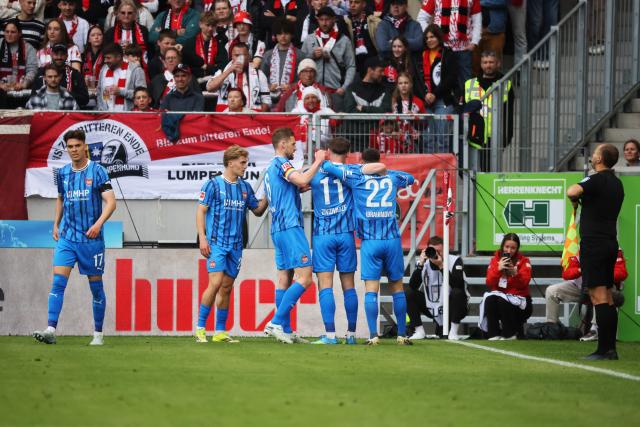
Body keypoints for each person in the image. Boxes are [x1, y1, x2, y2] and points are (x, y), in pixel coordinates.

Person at [32, 129, 116, 346]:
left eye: (77, 146)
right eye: (70, 147)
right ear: (66, 148)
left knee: (96, 288)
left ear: (84, 146)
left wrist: (98, 224)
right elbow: (61, 199)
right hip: (68, 238)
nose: (74, 150)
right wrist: (56, 224)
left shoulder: (97, 171)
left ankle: (98, 334)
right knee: (58, 283)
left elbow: (111, 202)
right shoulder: (63, 173)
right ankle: (50, 329)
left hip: (91, 240)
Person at [323, 148, 415, 345]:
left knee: (371, 289)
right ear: (379, 160)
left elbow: (329, 166)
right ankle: (402, 335)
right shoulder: (392, 178)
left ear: (363, 161)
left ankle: (373, 335)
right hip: (391, 240)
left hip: (370, 242)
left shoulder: (357, 177)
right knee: (397, 287)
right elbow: (411, 179)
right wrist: (385, 171)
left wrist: (359, 168)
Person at [309, 137, 385, 344]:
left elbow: (299, 183)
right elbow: (379, 168)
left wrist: (317, 163)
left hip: (323, 235)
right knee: (348, 285)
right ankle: (351, 335)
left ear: (327, 150)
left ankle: (331, 336)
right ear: (349, 154)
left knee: (325, 285)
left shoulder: (316, 171)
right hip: (345, 234)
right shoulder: (352, 171)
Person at [194, 145, 268, 343]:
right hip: (216, 243)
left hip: (236, 246)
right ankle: (200, 328)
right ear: (231, 163)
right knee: (215, 283)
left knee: (226, 287)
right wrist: (202, 237)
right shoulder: (213, 185)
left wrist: (270, 193)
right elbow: (201, 211)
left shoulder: (244, 187)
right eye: (243, 163)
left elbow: (258, 210)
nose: (245, 166)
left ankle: (219, 332)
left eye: (246, 162)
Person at [262, 128, 326, 344]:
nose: (295, 148)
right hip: (290, 226)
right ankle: (276, 322)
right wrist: (318, 161)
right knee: (306, 277)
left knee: (284, 279)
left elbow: (291, 187)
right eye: (292, 144)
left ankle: (286, 330)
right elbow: (300, 178)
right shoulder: (281, 163)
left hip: (278, 229)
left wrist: (298, 189)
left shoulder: (270, 168)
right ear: (282, 145)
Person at [567, 143, 625, 360]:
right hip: (609, 242)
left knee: (598, 296)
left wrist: (576, 195)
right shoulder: (617, 183)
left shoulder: (596, 179)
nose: (592, 156)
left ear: (600, 159)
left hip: (595, 244)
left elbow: (572, 191)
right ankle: (610, 348)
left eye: (595, 153)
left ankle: (605, 350)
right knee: (607, 296)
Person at [545, 251, 627, 341]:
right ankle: (552, 327)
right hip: (580, 288)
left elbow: (622, 273)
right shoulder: (580, 249)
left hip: (603, 286)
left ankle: (595, 330)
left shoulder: (613, 248)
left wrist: (600, 273)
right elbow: (566, 273)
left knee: (599, 290)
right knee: (551, 291)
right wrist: (581, 270)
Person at [405, 236, 468, 340]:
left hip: (453, 306)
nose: (436, 254)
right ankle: (419, 331)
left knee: (457, 292)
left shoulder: (454, 260)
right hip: (432, 305)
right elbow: (413, 286)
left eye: (439, 251)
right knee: (409, 293)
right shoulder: (424, 263)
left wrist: (441, 267)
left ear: (445, 250)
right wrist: (420, 265)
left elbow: (458, 285)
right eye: (433, 251)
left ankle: (453, 331)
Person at [417, 0, 482, 92]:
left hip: (464, 48)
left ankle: (468, 106)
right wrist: (432, 36)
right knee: (442, 82)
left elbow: (477, 19)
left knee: (467, 84)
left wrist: (475, 41)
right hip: (442, 49)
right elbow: (421, 18)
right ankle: (446, 106)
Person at [464, 50, 513, 170]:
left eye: (491, 62)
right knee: (472, 173)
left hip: (495, 137)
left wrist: (506, 138)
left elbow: (509, 114)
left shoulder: (506, 84)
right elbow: (463, 111)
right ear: (481, 65)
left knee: (491, 173)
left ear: (498, 64)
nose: (488, 65)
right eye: (485, 62)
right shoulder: (469, 84)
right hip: (473, 136)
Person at [301, 6, 355, 112]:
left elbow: (351, 66)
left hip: (335, 91)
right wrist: (312, 56)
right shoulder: (309, 39)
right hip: (313, 92)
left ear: (334, 19)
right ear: (317, 20)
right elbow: (302, 64)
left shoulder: (344, 40)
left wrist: (344, 87)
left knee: (336, 124)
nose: (324, 23)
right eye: (321, 20)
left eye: (327, 19)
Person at [482, 233, 532, 340]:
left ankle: (510, 334)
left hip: (519, 299)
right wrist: (498, 269)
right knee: (490, 300)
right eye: (507, 247)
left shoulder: (524, 261)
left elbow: (524, 283)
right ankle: (493, 334)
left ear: (517, 248)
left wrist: (515, 273)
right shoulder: (495, 260)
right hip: (499, 296)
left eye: (513, 248)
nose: (509, 251)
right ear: (502, 246)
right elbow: (489, 283)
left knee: (503, 301)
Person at [207, 41, 271, 111]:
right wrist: (229, 70)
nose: (240, 58)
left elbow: (266, 101)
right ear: (232, 56)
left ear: (249, 57)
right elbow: (209, 88)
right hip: (226, 117)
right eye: (237, 55)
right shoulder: (222, 72)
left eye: (243, 55)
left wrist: (257, 119)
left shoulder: (259, 74)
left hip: (250, 116)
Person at [261, 17, 304, 105]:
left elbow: (305, 79)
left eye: (286, 33)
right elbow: (261, 78)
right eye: (280, 34)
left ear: (292, 35)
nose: (283, 36)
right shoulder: (268, 55)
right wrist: (268, 86)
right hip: (270, 100)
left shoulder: (300, 55)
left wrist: (292, 86)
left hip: (293, 99)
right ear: (275, 36)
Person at [32, 42, 89, 108]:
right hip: (44, 112)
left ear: (67, 56)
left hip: (68, 112)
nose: (59, 57)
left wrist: (65, 93)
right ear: (51, 55)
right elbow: (33, 96)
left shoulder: (75, 74)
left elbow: (85, 99)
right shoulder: (41, 72)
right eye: (56, 54)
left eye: (62, 54)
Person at [96, 42, 146, 111]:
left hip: (127, 117)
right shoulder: (104, 69)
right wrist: (101, 108)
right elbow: (99, 91)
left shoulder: (136, 70)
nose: (105, 61)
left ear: (119, 57)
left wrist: (121, 92)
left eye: (108, 58)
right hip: (106, 117)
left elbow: (143, 94)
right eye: (105, 58)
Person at [103, 0, 150, 65]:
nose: (126, 16)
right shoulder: (110, 33)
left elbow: (147, 53)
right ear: (118, 14)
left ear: (135, 15)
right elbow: (107, 53)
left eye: (130, 13)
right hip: (116, 67)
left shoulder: (143, 31)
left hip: (137, 65)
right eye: (123, 13)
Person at [0, 19, 37, 98]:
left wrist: (24, 84)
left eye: (13, 32)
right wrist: (0, 85)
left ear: (19, 33)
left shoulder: (28, 48)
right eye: (7, 32)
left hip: (23, 89)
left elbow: (32, 69)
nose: (9, 34)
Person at [343, 0, 379, 77]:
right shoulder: (344, 23)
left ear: (364, 4)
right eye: (350, 2)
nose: (352, 5)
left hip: (373, 69)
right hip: (354, 69)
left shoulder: (374, 22)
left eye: (356, 2)